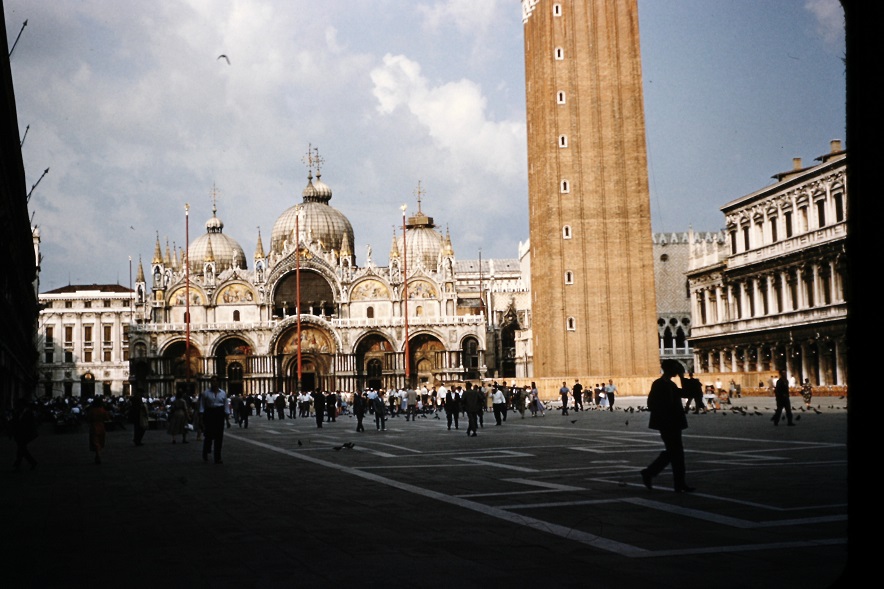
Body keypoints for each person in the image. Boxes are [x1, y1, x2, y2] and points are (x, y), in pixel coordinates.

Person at [640, 360, 694, 493]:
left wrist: (682, 378)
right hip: (666, 423)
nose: (677, 371)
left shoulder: (671, 384)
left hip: (674, 422)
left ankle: (676, 482)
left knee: (675, 452)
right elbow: (651, 403)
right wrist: (664, 413)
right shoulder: (659, 384)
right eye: (676, 369)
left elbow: (687, 393)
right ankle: (652, 473)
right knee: (676, 452)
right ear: (669, 369)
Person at [200, 376, 229, 463]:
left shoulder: (223, 393)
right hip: (209, 414)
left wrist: (227, 420)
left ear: (218, 382)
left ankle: (217, 457)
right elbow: (202, 406)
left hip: (219, 414)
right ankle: (205, 451)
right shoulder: (205, 393)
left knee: (219, 437)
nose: (214, 383)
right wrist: (201, 419)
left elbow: (226, 407)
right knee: (208, 435)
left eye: (215, 381)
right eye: (212, 381)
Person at [11, 401, 39, 471]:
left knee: (21, 448)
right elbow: (15, 422)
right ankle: (19, 462)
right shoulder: (18, 413)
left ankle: (30, 462)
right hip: (19, 434)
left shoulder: (28, 413)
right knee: (21, 448)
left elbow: (30, 425)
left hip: (26, 434)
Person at [86, 397, 110, 465]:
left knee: (95, 441)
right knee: (100, 441)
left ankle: (97, 454)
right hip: (101, 426)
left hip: (93, 427)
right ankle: (98, 454)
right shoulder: (102, 410)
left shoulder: (92, 410)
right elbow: (107, 418)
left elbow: (88, 419)